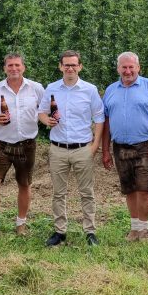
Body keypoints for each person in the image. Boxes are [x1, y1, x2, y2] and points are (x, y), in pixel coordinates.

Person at [101, 52, 148, 241]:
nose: (127, 71)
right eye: (124, 67)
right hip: (120, 147)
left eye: (131, 67)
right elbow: (106, 123)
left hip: (145, 146)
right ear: (118, 69)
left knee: (144, 188)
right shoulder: (110, 90)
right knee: (129, 188)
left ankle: (145, 228)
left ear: (138, 68)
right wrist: (106, 150)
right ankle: (134, 228)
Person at [38, 50, 105, 246]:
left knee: (87, 192)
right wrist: (46, 120)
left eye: (73, 65)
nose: (70, 68)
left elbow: (99, 118)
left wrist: (95, 145)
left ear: (80, 67)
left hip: (83, 148)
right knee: (59, 193)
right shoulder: (51, 88)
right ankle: (60, 231)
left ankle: (90, 231)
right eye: (66, 65)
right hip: (57, 148)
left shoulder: (90, 90)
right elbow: (41, 112)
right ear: (60, 67)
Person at [0, 53, 44, 237]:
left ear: (23, 67)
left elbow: (46, 110)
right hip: (2, 145)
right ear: (4, 68)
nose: (14, 69)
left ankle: (21, 224)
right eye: (10, 66)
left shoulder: (36, 88)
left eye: (17, 65)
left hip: (27, 145)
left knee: (24, 184)